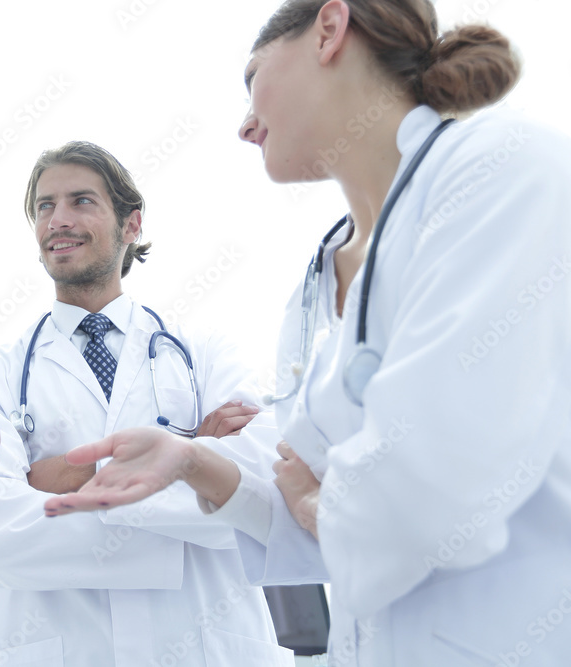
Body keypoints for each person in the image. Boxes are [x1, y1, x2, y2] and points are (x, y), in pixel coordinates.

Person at [44, 1, 571, 665]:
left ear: (329, 28)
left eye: (253, 77)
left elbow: (426, 497)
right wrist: (191, 458)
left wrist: (323, 506)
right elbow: (313, 513)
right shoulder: (314, 289)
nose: (243, 124)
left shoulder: (501, 171)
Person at [0, 140, 327, 666]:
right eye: (44, 206)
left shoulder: (206, 352)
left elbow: (266, 487)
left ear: (131, 226)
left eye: (81, 201)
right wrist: (194, 457)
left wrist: (59, 475)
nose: (57, 220)